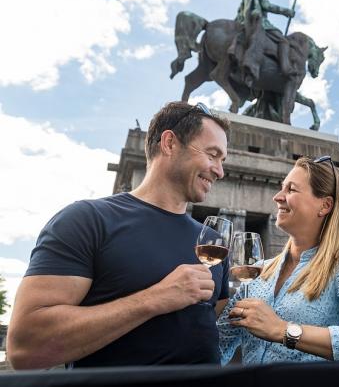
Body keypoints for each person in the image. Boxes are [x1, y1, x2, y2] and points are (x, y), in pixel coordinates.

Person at [7, 101, 230, 369]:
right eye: (212, 154)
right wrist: (155, 298)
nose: (219, 171)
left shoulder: (213, 243)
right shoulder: (87, 220)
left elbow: (211, 324)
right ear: (169, 143)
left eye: (222, 160)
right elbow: (25, 347)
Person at [218, 156, 339, 363]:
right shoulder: (258, 272)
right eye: (281, 188)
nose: (277, 197)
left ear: (325, 205)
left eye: (291, 190)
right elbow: (217, 345)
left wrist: (282, 330)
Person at [228, 0, 296, 82]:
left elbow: (237, 17)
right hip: (262, 24)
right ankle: (286, 68)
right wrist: (287, 12)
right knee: (284, 41)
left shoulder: (244, 1)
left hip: (244, 25)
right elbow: (269, 7)